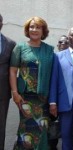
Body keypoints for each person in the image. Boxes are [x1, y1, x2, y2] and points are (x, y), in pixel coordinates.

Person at [9, 16, 54, 149]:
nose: (34, 30)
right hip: (25, 98)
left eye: (38, 27)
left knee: (42, 130)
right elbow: (12, 71)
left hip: (43, 98)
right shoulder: (20, 47)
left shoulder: (49, 50)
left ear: (43, 31)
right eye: (31, 27)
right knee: (26, 132)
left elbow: (53, 74)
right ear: (27, 30)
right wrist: (15, 92)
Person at [48, 35, 69, 150]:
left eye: (66, 42)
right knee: (52, 131)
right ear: (57, 45)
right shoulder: (52, 58)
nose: (63, 44)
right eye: (60, 42)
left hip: (67, 102)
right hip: (53, 101)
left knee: (67, 131)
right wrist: (52, 101)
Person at [0, 13, 16, 150]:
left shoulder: (10, 44)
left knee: (1, 128)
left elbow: (13, 70)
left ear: (1, 23)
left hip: (2, 94)